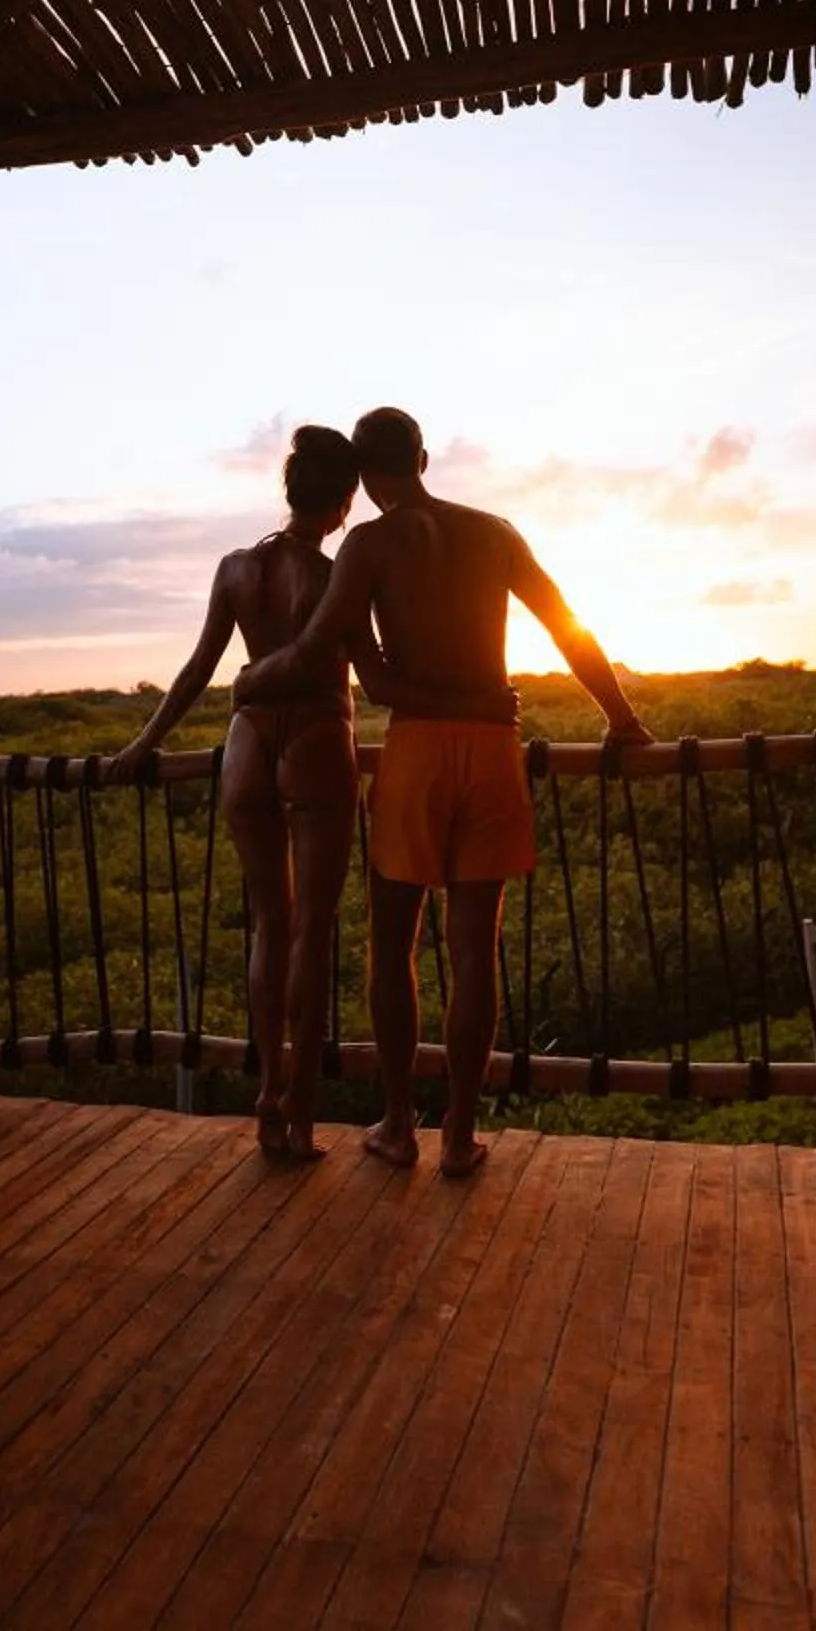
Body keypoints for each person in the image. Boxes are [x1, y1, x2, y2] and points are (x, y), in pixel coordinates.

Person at [236, 406, 652, 1176]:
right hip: (493, 752)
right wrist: (621, 718)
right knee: (473, 953)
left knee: (392, 949)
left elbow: (329, 650)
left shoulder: (368, 543)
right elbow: (565, 624)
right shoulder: (494, 531)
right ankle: (459, 1135)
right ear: (424, 458)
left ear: (364, 476)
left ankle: (399, 1124)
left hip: (417, 755)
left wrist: (252, 677)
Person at [106, 425, 513, 1162]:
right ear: (341, 504)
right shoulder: (336, 576)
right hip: (318, 740)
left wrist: (145, 743)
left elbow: (201, 667)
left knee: (269, 923)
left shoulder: (235, 569)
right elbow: (363, 665)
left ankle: (266, 1097)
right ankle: (299, 1107)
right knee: (311, 929)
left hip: (246, 743)